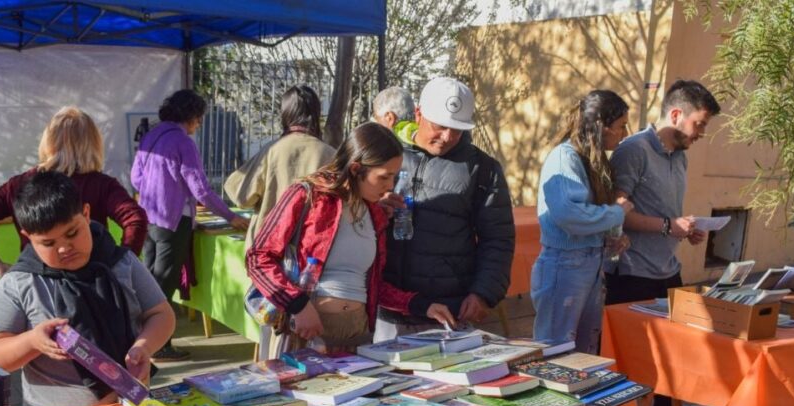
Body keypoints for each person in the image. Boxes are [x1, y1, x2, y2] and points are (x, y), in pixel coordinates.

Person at [247, 122, 455, 353]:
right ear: (356, 169)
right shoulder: (308, 195)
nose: (390, 186)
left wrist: (419, 305)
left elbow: (373, 284)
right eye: (384, 177)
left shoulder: (375, 213)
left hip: (358, 335)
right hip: (307, 335)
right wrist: (297, 305)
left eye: (394, 177)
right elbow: (257, 258)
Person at [0, 171, 173, 406]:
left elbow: (161, 314)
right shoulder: (19, 283)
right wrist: (32, 341)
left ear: (86, 214)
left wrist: (143, 346)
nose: (64, 248)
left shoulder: (121, 262)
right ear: (27, 237)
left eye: (72, 233)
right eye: (48, 243)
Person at [604, 79, 721, 406]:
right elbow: (617, 215)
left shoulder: (680, 156)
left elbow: (664, 214)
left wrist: (686, 229)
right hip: (632, 272)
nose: (701, 134)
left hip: (667, 269)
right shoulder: (633, 151)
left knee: (676, 353)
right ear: (675, 115)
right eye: (699, 124)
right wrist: (670, 226)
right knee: (632, 359)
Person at [376, 77, 515, 341]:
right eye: (439, 126)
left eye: (457, 129)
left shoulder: (483, 169)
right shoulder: (383, 155)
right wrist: (375, 209)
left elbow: (498, 239)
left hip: (450, 313)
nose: (447, 137)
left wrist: (483, 292)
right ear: (419, 114)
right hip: (389, 310)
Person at [0, 106, 148, 278]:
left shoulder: (21, 183)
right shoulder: (101, 185)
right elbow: (136, 218)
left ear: (48, 141)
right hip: (90, 280)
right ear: (93, 143)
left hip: (38, 281)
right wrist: (121, 267)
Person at [131, 89, 250, 361]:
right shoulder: (183, 142)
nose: (200, 123)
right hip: (174, 221)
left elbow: (136, 178)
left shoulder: (152, 135)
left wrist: (161, 189)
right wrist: (230, 216)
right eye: (199, 118)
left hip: (148, 216)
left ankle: (141, 338)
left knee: (149, 282)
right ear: (192, 116)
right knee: (163, 285)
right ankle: (159, 345)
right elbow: (201, 189)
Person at [531, 90, 634, 355]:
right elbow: (570, 215)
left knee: (584, 353)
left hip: (587, 265)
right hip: (565, 267)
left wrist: (609, 239)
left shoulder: (590, 160)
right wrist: (616, 214)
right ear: (602, 126)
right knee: (556, 352)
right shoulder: (564, 158)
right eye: (621, 126)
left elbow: (584, 218)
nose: (624, 134)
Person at [224, 85, 335, 251]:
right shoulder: (331, 154)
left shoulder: (271, 150)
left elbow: (242, 197)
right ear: (316, 114)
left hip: (267, 249)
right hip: (312, 250)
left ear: (285, 114)